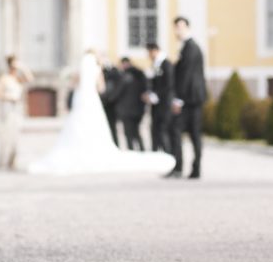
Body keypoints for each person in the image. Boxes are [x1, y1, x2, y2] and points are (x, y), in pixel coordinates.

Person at [28, 51, 174, 176]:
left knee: (77, 126)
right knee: (96, 128)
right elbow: (101, 88)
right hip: (91, 100)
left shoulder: (79, 73)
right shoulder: (97, 70)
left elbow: (73, 85)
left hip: (81, 101)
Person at [168, 17, 207, 180]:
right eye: (176, 27)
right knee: (191, 134)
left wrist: (178, 99)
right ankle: (187, 168)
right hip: (191, 98)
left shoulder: (190, 47)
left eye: (180, 27)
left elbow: (186, 76)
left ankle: (186, 168)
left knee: (182, 132)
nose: (177, 30)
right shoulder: (187, 47)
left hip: (190, 99)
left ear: (187, 28)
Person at [0, 56, 34, 171]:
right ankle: (4, 161)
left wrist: (23, 67)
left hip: (17, 109)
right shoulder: (4, 78)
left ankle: (13, 161)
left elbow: (30, 78)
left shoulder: (18, 78)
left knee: (16, 136)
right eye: (14, 66)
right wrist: (9, 97)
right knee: (7, 135)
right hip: (7, 107)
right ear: (9, 66)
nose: (15, 68)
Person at [145, 43, 174, 153]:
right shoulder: (155, 65)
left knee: (163, 131)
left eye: (149, 52)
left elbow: (169, 84)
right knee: (155, 131)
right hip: (156, 106)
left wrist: (155, 95)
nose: (149, 55)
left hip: (164, 104)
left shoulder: (166, 64)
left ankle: (169, 156)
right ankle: (155, 154)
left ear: (155, 51)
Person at [114, 57, 148, 151]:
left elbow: (117, 92)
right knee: (136, 132)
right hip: (138, 109)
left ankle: (131, 151)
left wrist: (109, 99)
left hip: (127, 110)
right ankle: (142, 150)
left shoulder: (125, 76)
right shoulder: (140, 73)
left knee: (128, 133)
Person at [100, 56, 121, 144]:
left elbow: (118, 88)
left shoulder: (115, 73)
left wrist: (112, 98)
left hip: (112, 105)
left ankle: (115, 143)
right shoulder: (101, 72)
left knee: (112, 126)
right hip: (103, 103)